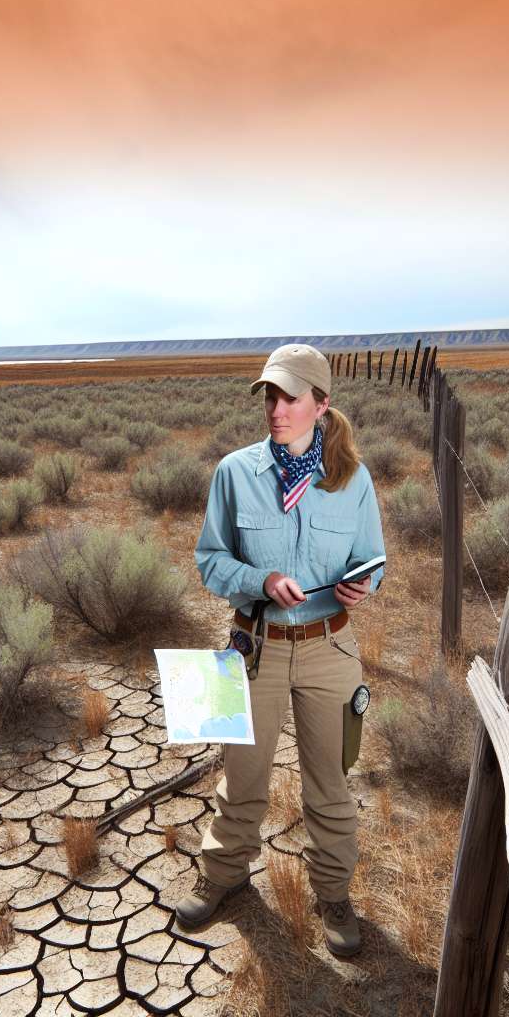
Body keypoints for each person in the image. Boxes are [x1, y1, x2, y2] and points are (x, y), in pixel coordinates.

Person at [173, 343, 386, 958]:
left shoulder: (353, 478)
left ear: (321, 405)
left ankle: (333, 894)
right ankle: (223, 876)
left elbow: (374, 560)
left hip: (329, 649)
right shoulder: (235, 473)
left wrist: (362, 582)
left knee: (330, 784)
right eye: (270, 395)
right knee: (241, 780)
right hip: (251, 648)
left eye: (290, 396)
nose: (276, 408)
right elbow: (209, 563)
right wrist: (259, 581)